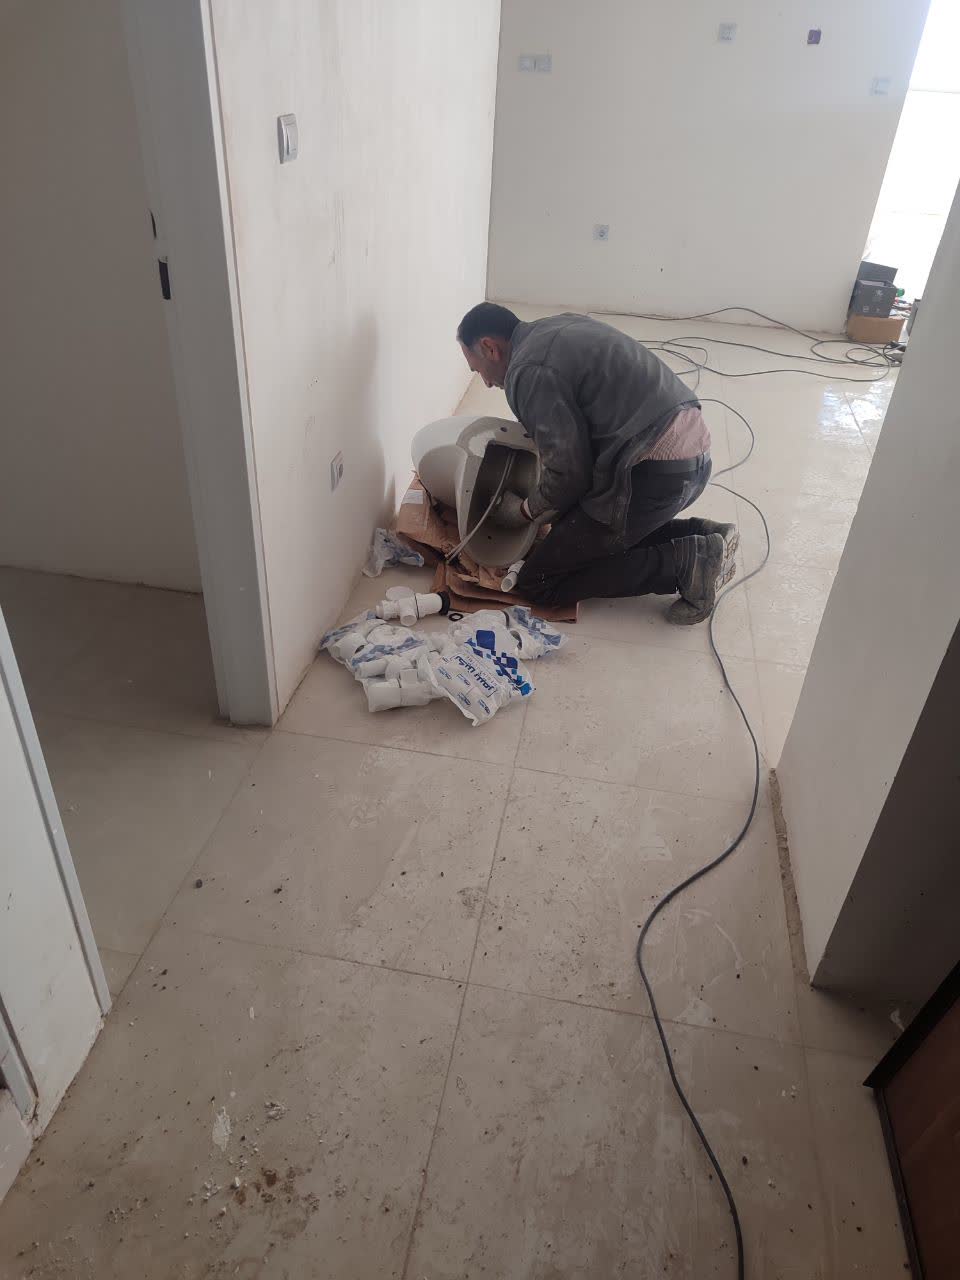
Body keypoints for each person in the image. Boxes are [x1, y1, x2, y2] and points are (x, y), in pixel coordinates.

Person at [456, 303, 739, 622]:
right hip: (692, 456)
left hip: (655, 474)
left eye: (477, 369)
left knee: (540, 581)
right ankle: (703, 534)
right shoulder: (554, 327)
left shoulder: (528, 371)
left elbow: (569, 475)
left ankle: (687, 564)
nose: (486, 383)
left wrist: (524, 510)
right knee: (580, 531)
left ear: (489, 347)